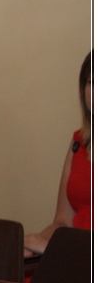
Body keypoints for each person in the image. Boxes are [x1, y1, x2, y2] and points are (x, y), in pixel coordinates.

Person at [24, 51, 92, 256]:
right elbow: (62, 222)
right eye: (91, 82)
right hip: (71, 258)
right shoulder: (79, 142)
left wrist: (55, 249)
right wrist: (28, 243)